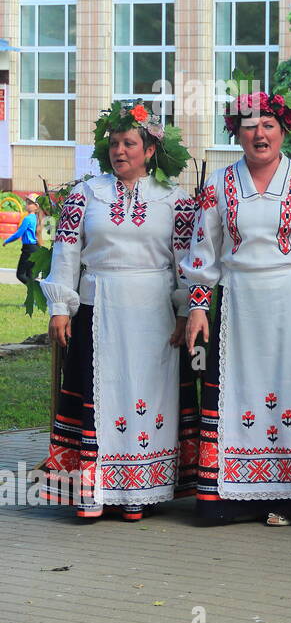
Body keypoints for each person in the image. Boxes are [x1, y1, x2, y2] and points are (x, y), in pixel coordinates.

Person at [183, 92, 291, 526]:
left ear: (283, 131)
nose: (260, 133)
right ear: (236, 133)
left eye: (269, 125)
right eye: (250, 125)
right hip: (239, 303)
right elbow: (203, 252)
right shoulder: (218, 185)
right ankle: (234, 496)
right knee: (240, 392)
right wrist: (199, 307)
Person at [38, 101, 198, 520]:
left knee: (146, 395)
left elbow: (185, 261)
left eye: (129, 143)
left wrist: (185, 311)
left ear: (149, 151)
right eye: (114, 143)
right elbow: (66, 251)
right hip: (99, 305)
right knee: (102, 393)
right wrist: (60, 306)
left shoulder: (174, 200)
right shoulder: (86, 194)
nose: (119, 150)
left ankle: (139, 493)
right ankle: (93, 491)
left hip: (154, 311)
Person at [4, 197, 42, 285]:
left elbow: (18, 234)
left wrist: (6, 241)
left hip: (28, 250)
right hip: (35, 248)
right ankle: (35, 296)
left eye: (29, 203)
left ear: (36, 206)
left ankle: (36, 290)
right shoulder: (36, 218)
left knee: (20, 275)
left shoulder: (28, 219)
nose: (26, 205)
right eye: (26, 203)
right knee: (30, 274)